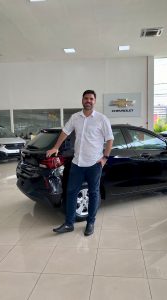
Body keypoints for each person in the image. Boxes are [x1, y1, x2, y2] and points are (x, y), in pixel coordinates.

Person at [46, 90, 114, 236]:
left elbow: (110, 139)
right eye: (86, 98)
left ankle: (90, 223)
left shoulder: (102, 119)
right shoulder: (75, 117)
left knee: (94, 193)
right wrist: (55, 147)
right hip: (77, 164)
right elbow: (65, 132)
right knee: (71, 193)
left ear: (94, 101)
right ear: (82, 100)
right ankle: (69, 223)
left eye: (91, 98)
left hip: (94, 164)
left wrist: (105, 158)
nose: (88, 101)